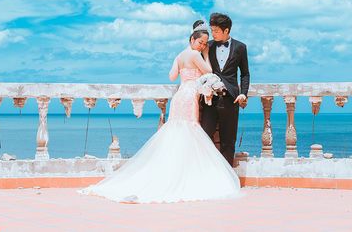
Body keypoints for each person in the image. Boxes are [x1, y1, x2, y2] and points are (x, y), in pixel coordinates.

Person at [78, 20, 241, 203]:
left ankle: (175, 169)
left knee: (177, 131)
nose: (203, 45)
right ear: (192, 40)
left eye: (204, 43)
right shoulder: (196, 55)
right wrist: (205, 54)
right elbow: (209, 71)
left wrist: (183, 68)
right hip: (189, 97)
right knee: (190, 130)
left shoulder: (179, 56)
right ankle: (186, 171)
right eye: (200, 42)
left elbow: (172, 76)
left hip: (179, 96)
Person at [200, 12, 250, 166]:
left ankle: (227, 175)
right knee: (204, 138)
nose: (213, 34)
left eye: (216, 31)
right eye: (212, 30)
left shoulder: (240, 47)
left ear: (226, 30)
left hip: (230, 100)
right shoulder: (207, 46)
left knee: (228, 141)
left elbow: (245, 74)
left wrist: (243, 93)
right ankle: (206, 172)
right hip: (210, 100)